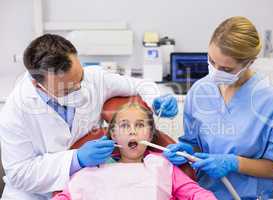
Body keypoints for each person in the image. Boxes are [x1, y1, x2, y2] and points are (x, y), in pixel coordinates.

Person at [0, 34, 178, 200]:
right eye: (67, 90)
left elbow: (141, 85)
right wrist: (76, 159)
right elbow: (19, 173)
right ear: (38, 84)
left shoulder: (94, 78)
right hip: (34, 195)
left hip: (85, 188)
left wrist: (156, 100)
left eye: (80, 78)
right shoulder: (15, 111)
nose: (79, 88)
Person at [163, 16, 273, 199]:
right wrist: (184, 152)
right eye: (211, 61)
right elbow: (194, 145)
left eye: (226, 69)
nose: (216, 71)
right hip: (205, 194)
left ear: (250, 62)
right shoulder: (200, 91)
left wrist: (235, 163)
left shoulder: (271, 100)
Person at [52, 103, 217, 200]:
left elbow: (196, 194)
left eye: (139, 125)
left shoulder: (162, 165)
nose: (133, 132)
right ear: (113, 135)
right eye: (124, 125)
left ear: (150, 134)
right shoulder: (91, 168)